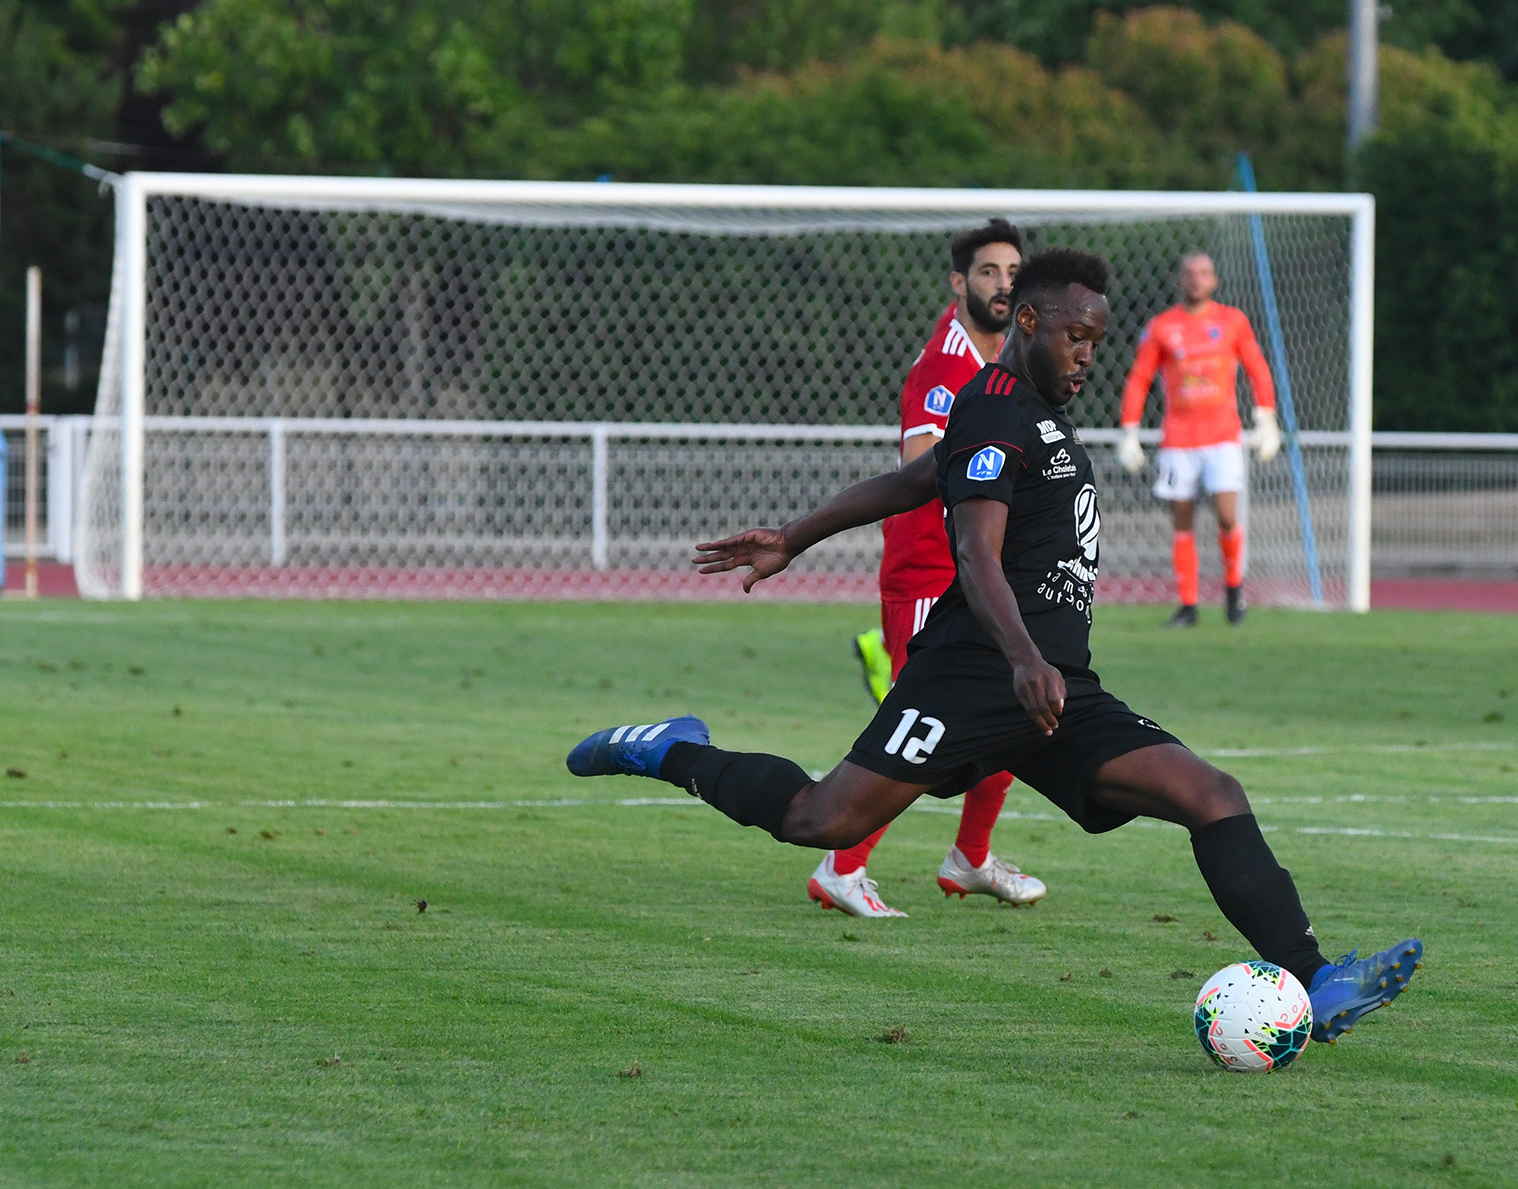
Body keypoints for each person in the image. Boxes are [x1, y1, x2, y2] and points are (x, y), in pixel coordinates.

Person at [568, 248, 1422, 1044]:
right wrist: (1020, 658)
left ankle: (1315, 978)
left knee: (1209, 790)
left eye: (1097, 338)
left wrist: (795, 533)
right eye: (1073, 335)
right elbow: (972, 552)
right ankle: (673, 749)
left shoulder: (1034, 415)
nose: (1088, 353)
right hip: (974, 674)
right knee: (819, 818)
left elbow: (911, 479)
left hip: (1055, 685)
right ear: (1026, 324)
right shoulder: (995, 407)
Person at [822, 219, 1045, 919]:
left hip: (977, 571)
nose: (1002, 283)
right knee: (931, 725)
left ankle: (970, 858)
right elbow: (924, 467)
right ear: (959, 282)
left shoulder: (1005, 360)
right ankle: (841, 865)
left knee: (1017, 708)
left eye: (1012, 271)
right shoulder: (945, 368)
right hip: (929, 573)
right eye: (987, 271)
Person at [1115, 252, 1281, 628]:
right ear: (1180, 280)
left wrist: (1266, 416)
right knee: (1182, 520)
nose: (1196, 279)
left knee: (1226, 515)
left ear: (1214, 280)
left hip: (1222, 435)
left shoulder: (1232, 321)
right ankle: (1188, 605)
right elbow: (1139, 378)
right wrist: (1129, 429)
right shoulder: (1162, 327)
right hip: (1178, 439)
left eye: (1204, 272)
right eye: (1190, 273)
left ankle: (1234, 590)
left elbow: (1257, 367)